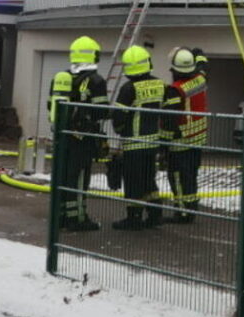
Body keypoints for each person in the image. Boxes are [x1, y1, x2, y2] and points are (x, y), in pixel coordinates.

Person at [48, 36, 109, 232]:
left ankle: (61, 217)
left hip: (61, 136)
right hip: (83, 139)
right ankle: (79, 219)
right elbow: (100, 112)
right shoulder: (96, 81)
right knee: (79, 178)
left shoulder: (61, 78)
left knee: (63, 176)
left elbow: (51, 105)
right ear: (93, 55)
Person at [110, 45, 171, 230]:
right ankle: (155, 214)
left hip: (134, 144)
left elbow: (119, 117)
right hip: (153, 142)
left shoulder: (128, 89)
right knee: (148, 180)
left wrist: (120, 130)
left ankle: (134, 218)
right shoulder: (160, 84)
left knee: (133, 181)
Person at [164, 47, 209, 223]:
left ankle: (182, 212)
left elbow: (169, 120)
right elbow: (203, 65)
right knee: (191, 175)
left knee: (177, 176)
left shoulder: (175, 90)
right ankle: (190, 209)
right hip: (198, 139)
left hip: (180, 141)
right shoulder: (200, 79)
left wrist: (163, 143)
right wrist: (198, 55)